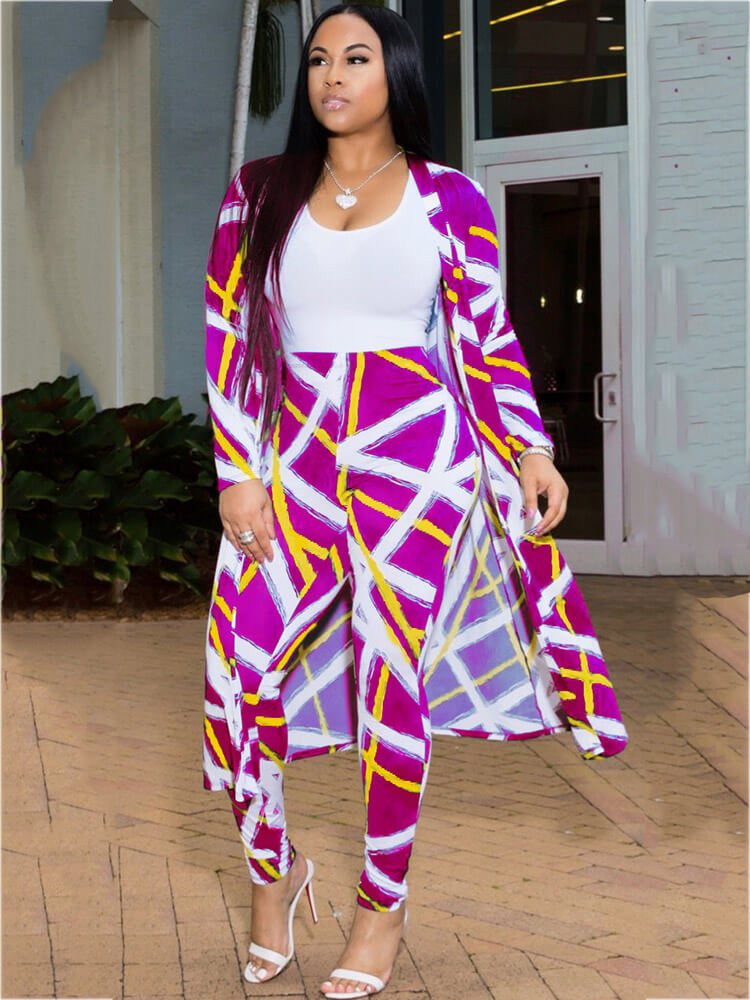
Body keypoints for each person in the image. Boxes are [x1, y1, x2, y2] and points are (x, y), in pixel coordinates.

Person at [202, 5, 629, 997]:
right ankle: (272, 875)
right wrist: (236, 471)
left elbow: (489, 334)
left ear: (395, 73)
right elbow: (227, 335)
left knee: (392, 682)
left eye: (355, 58)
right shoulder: (258, 194)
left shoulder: (449, 197)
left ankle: (380, 907)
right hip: (294, 461)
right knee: (239, 671)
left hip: (419, 458)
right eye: (319, 59)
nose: (331, 75)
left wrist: (530, 448)